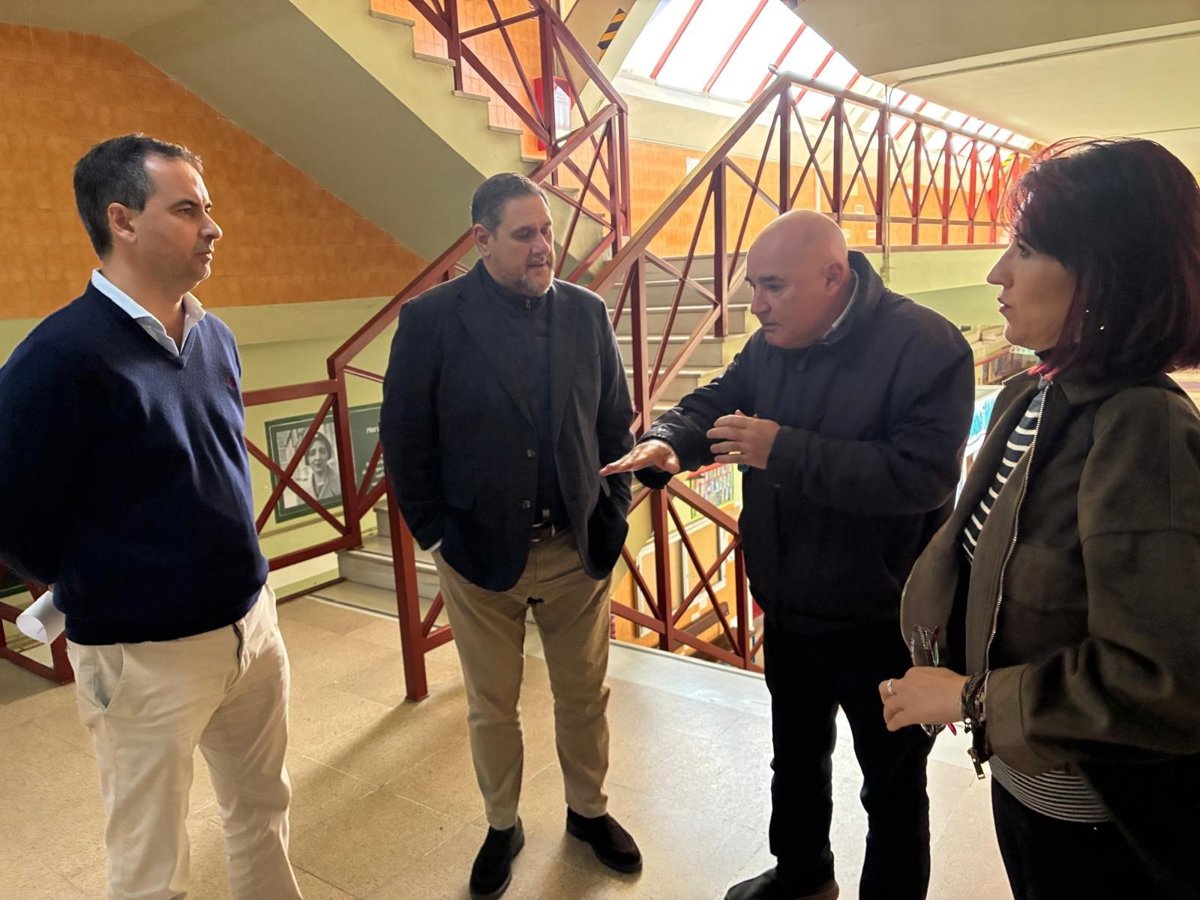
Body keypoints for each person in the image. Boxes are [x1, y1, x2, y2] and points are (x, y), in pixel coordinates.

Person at [601, 210, 974, 900]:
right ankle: (803, 876)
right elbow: (718, 399)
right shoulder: (771, 343)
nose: (756, 304)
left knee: (891, 785)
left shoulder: (925, 345)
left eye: (772, 286)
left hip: (883, 621)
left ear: (833, 277)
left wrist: (783, 450)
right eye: (753, 286)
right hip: (790, 604)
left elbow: (919, 477)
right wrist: (670, 441)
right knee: (795, 758)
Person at [883, 138, 1200, 900]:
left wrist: (967, 698)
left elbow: (1162, 678)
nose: (997, 273)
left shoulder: (1142, 430)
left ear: (1103, 274)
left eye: (1024, 249)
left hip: (1100, 826)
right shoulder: (1032, 396)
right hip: (1027, 788)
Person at [0, 134, 301, 900]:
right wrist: (109, 580)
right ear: (123, 220)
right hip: (144, 659)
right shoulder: (58, 358)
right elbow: (16, 519)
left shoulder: (214, 335)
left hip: (251, 630)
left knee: (262, 811)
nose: (213, 227)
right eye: (188, 209)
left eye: (208, 209)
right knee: (151, 866)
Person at [380, 172, 640, 900]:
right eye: (524, 235)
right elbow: (407, 441)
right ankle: (503, 825)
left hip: (576, 550)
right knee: (492, 704)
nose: (542, 248)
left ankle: (589, 812)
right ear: (482, 240)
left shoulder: (587, 313)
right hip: (476, 555)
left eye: (547, 232)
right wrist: (436, 535)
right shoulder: (431, 321)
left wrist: (611, 512)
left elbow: (614, 424)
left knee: (584, 695)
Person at [305, 431, 339, 500]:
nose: (318, 457)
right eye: (312, 453)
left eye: (322, 451)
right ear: (307, 459)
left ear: (328, 454)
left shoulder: (341, 483)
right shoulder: (302, 491)